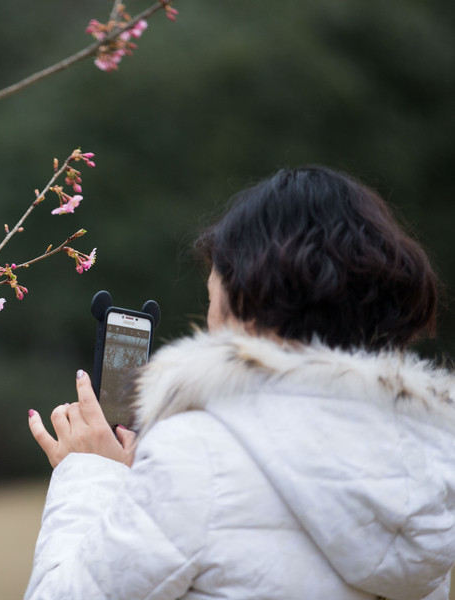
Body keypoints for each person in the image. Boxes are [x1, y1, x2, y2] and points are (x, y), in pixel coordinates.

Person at [24, 166, 455, 600]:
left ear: (246, 304)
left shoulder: (198, 454)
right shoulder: (428, 465)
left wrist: (92, 473)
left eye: (212, 300)